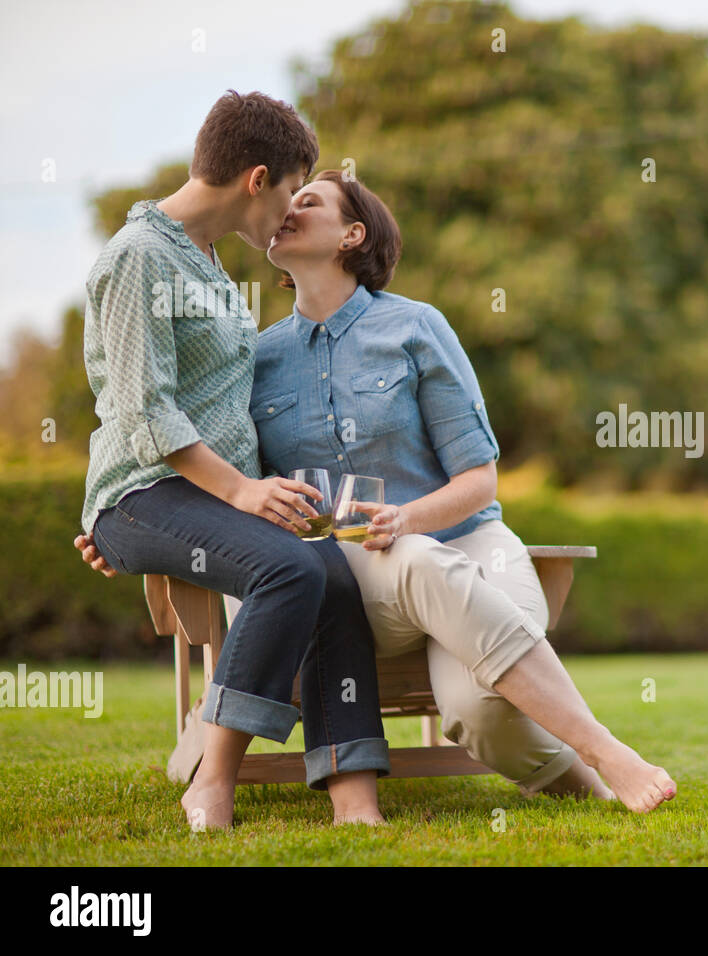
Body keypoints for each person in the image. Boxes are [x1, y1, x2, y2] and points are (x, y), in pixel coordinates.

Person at [228, 168, 676, 813]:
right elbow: (223, 471)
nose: (287, 210)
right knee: (407, 557)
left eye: (309, 201)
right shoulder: (259, 358)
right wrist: (132, 523)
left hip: (473, 545)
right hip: (359, 584)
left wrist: (408, 516)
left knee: (477, 714)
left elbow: (479, 478)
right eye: (286, 202)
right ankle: (609, 751)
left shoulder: (415, 327)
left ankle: (589, 787)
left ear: (352, 234)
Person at [73, 91, 390, 829]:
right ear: (256, 179)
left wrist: (256, 493)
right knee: (289, 568)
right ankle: (213, 781)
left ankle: (354, 792)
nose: (287, 213)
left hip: (207, 500)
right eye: (287, 191)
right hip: (143, 494)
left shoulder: (208, 263)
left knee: (331, 572)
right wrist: (243, 494)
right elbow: (146, 411)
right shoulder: (138, 258)